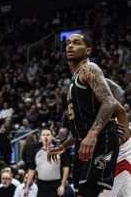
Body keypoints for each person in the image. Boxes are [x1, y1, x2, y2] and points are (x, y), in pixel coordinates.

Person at [47, 33, 127, 196]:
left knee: (88, 193)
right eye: (68, 43)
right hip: (84, 142)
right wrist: (63, 146)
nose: (70, 46)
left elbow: (111, 103)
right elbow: (84, 124)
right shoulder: (75, 78)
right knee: (80, 193)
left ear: (88, 50)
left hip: (98, 140)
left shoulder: (89, 69)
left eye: (77, 43)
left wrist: (119, 141)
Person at [24, 128, 69, 197]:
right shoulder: (36, 151)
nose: (46, 136)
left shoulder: (59, 150)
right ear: (40, 137)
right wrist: (27, 187)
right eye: (43, 135)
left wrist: (62, 185)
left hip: (56, 185)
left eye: (48, 135)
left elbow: (66, 168)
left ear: (52, 136)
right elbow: (31, 170)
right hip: (41, 186)